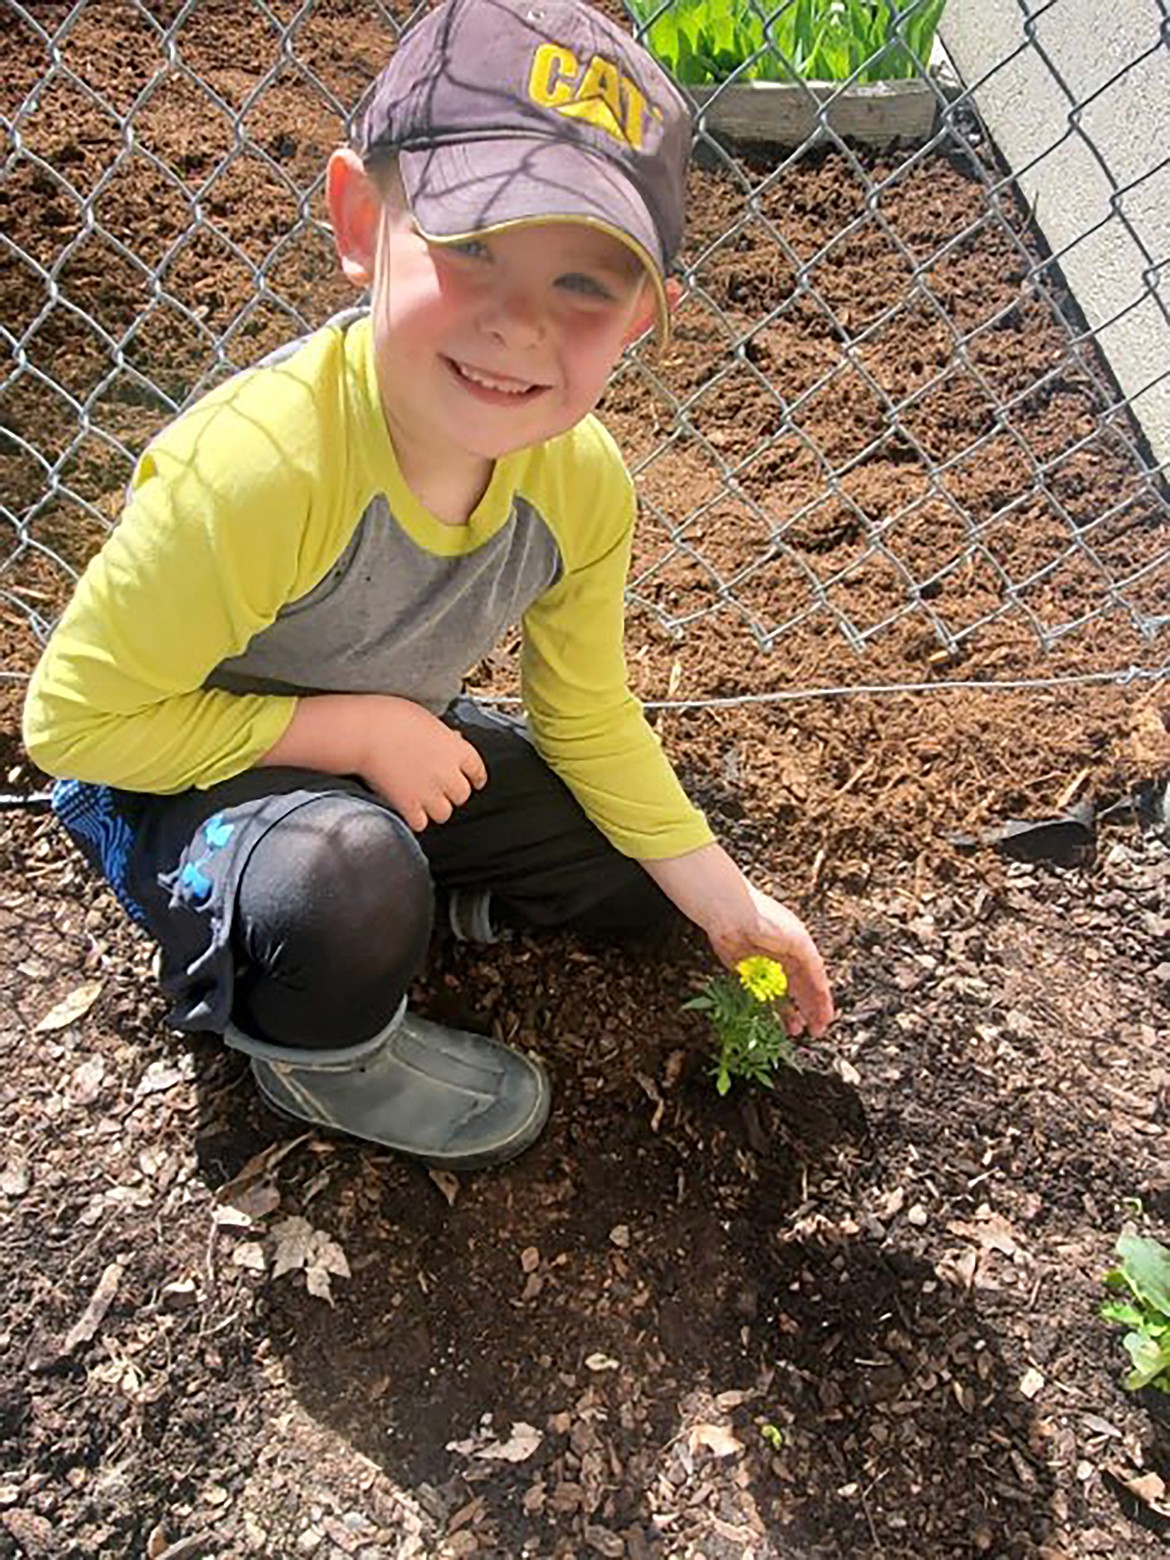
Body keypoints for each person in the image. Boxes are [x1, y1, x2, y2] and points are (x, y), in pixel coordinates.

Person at [23, 0, 833, 1170]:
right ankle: (322, 1050)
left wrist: (728, 903)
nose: (518, 325)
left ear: (643, 319)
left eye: (585, 286)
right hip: (167, 782)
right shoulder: (262, 473)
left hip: (379, 751)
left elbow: (589, 714)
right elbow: (74, 729)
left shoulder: (581, 485)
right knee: (338, 885)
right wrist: (358, 728)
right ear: (363, 220)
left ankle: (424, 908)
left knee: (635, 852)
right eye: (471, 247)